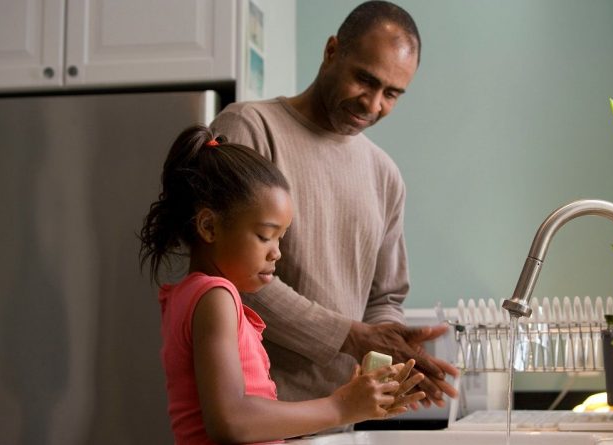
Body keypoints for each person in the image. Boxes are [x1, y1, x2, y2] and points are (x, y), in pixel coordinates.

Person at [211, 0, 459, 409]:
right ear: (331, 52)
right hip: (254, 415)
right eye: (365, 79)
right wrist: (350, 335)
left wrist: (391, 350)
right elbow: (229, 272)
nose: (373, 104)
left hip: (339, 418)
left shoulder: (385, 175)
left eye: (392, 94)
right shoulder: (249, 129)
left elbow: (385, 298)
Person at [139, 125, 425, 444]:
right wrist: (340, 407)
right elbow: (231, 420)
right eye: (265, 235)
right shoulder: (215, 297)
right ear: (209, 226)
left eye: (281, 237)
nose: (277, 252)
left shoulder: (192, 295)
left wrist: (356, 405)